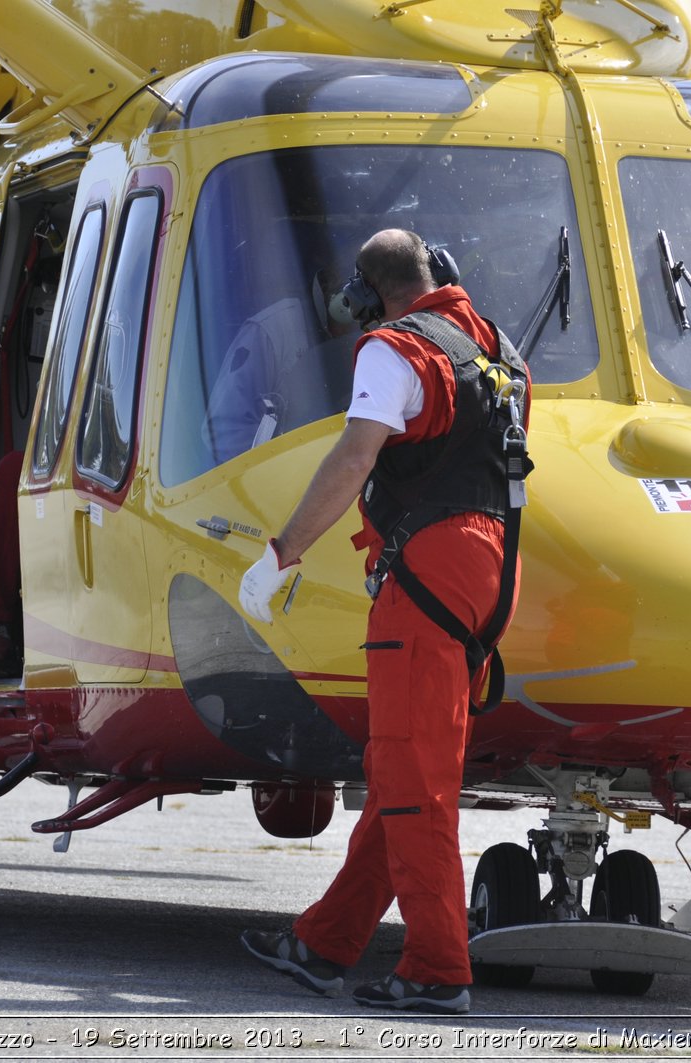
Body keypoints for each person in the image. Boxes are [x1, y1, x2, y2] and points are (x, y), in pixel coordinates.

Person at [236, 228, 531, 1015]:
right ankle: (325, 941)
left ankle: (438, 968)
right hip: (491, 567)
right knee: (408, 761)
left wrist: (283, 553)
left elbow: (353, 458)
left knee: (412, 774)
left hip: (428, 569)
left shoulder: (392, 349)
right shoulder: (498, 348)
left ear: (368, 296)